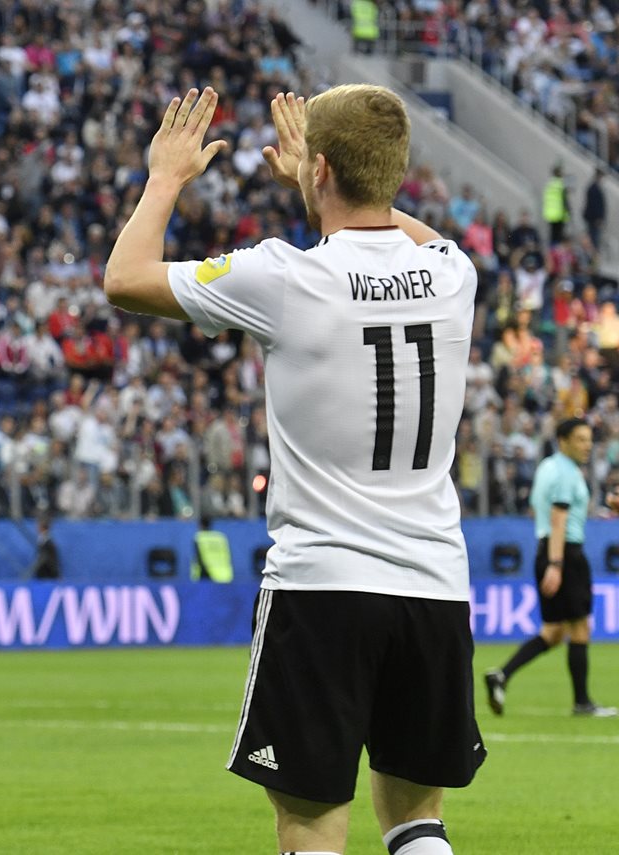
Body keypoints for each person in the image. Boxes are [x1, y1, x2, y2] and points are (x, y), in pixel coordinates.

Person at [104, 86, 485, 855]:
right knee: (418, 820)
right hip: (434, 585)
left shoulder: (284, 275)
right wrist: (330, 185)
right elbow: (411, 235)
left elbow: (125, 277)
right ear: (397, 171)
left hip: (323, 588)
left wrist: (167, 178)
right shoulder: (453, 274)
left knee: (311, 828)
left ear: (317, 169)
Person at [484, 418, 617, 718]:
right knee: (580, 627)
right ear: (563, 439)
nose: (587, 445)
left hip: (546, 549)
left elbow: (547, 511)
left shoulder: (548, 467)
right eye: (580, 439)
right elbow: (559, 520)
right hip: (565, 554)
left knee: (554, 632)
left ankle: (502, 675)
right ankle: (582, 702)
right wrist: (557, 564)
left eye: (588, 439)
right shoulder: (567, 474)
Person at [190, 514, 233, 582]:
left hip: (206, 576)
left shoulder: (199, 537)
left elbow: (198, 558)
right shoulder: (221, 537)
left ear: (200, 525)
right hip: (225, 575)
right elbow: (229, 555)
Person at [30, 514, 61, 580]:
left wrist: (55, 573)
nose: (36, 527)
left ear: (42, 527)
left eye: (38, 526)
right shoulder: (41, 539)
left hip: (48, 574)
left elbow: (51, 559)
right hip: (43, 573)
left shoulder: (48, 542)